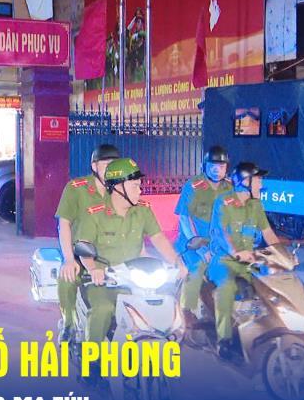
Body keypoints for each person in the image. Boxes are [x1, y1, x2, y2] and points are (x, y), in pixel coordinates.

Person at [76, 158, 188, 346]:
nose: (140, 190)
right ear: (118, 187)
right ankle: (92, 358)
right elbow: (84, 246)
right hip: (105, 282)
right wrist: (93, 269)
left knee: (165, 305)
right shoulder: (94, 213)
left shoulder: (143, 210)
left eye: (139, 185)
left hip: (135, 279)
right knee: (103, 310)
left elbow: (159, 238)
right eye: (135, 185)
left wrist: (177, 263)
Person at [208, 162, 281, 360]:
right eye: (258, 180)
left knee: (271, 287)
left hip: (249, 261)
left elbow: (268, 233)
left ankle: (268, 331)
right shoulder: (224, 203)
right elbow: (222, 233)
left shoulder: (256, 205)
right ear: (245, 182)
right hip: (224, 260)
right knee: (226, 288)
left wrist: (283, 255)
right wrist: (236, 252)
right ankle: (224, 341)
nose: (261, 184)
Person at [55, 144, 120, 343]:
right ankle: (68, 323)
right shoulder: (76, 188)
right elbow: (64, 224)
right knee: (67, 279)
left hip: (111, 255)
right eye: (106, 164)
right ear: (94, 166)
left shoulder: (122, 189)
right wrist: (68, 259)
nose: (111, 169)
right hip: (80, 252)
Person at [174, 146, 232, 346]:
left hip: (218, 244)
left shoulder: (229, 188)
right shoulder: (193, 186)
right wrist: (200, 248)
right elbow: (185, 218)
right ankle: (186, 317)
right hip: (192, 245)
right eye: (213, 166)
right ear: (204, 166)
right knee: (197, 271)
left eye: (221, 166)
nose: (217, 170)